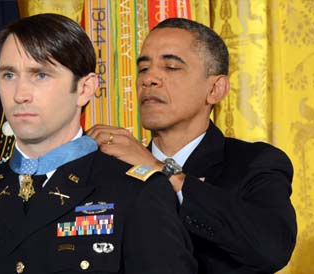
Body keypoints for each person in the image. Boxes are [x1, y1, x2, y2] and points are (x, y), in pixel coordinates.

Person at [0, 14, 197, 274]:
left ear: (84, 88)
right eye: (9, 75)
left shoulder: (135, 192)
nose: (20, 94)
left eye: (40, 75)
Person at [88, 18, 297, 274]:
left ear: (215, 89)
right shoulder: (109, 168)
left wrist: (160, 172)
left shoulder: (255, 162)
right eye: (143, 69)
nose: (149, 79)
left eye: (171, 67)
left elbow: (272, 248)